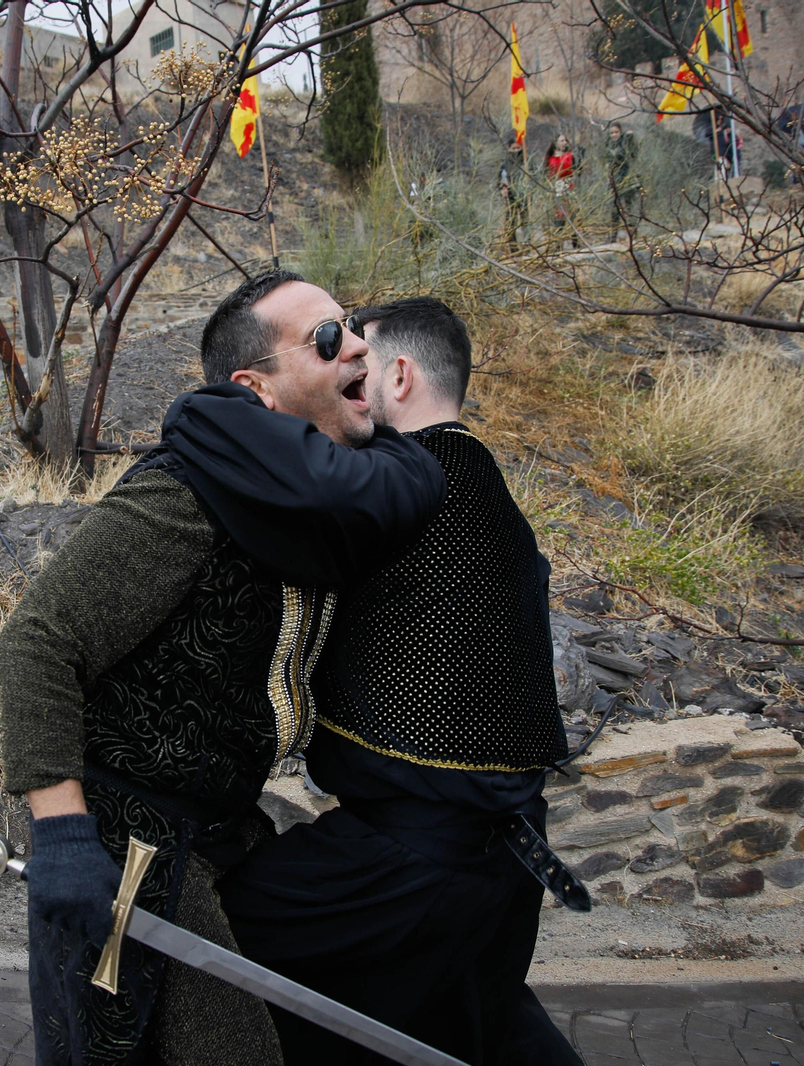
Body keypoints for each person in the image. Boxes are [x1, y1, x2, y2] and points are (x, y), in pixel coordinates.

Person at [0, 270, 448, 1066]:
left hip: (223, 839)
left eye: (355, 327)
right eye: (325, 338)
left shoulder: (317, 514)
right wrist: (62, 832)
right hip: (123, 855)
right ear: (256, 389)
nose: (358, 346)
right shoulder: (185, 495)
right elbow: (38, 641)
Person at [220, 297, 582, 1066]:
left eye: (360, 356)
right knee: (474, 1031)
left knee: (202, 940)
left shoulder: (397, 489)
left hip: (408, 863)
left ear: (404, 375)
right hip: (508, 859)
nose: (348, 364)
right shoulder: (491, 494)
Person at [604, 122, 638, 227]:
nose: (614, 135)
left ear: (620, 132)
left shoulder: (625, 142)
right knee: (614, 206)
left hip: (626, 176)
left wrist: (630, 140)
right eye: (612, 133)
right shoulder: (608, 145)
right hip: (614, 178)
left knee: (629, 205)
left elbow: (633, 155)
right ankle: (613, 234)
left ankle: (633, 232)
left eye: (616, 132)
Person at [544, 133, 576, 244]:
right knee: (558, 216)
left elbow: (577, 170)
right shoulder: (549, 157)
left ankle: (575, 242)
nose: (564, 143)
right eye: (562, 140)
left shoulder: (570, 155)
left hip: (568, 186)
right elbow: (545, 173)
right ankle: (558, 243)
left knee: (572, 214)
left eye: (565, 140)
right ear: (556, 142)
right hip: (555, 187)